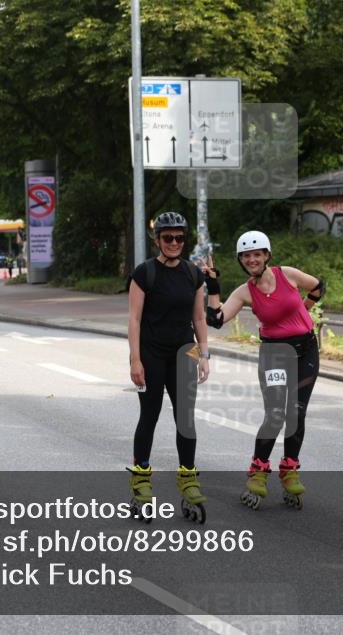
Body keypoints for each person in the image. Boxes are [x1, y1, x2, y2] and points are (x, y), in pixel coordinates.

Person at [200, 231, 324, 510]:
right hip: (274, 355)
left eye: (257, 254)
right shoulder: (245, 292)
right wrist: (213, 285)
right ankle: (258, 470)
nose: (252, 259)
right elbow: (216, 319)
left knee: (297, 411)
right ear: (241, 261)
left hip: (306, 351)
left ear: (267, 255)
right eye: (246, 256)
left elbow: (318, 287)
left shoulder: (288, 275)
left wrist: (305, 309)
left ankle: (289, 469)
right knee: (277, 414)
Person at [127, 212, 210, 523]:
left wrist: (204, 354)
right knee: (149, 416)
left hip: (184, 351)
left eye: (179, 237)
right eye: (167, 238)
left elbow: (199, 318)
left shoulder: (193, 274)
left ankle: (188, 480)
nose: (174, 243)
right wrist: (135, 359)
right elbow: (134, 319)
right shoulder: (144, 273)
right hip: (150, 352)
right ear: (157, 240)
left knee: (185, 418)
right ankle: (141, 480)